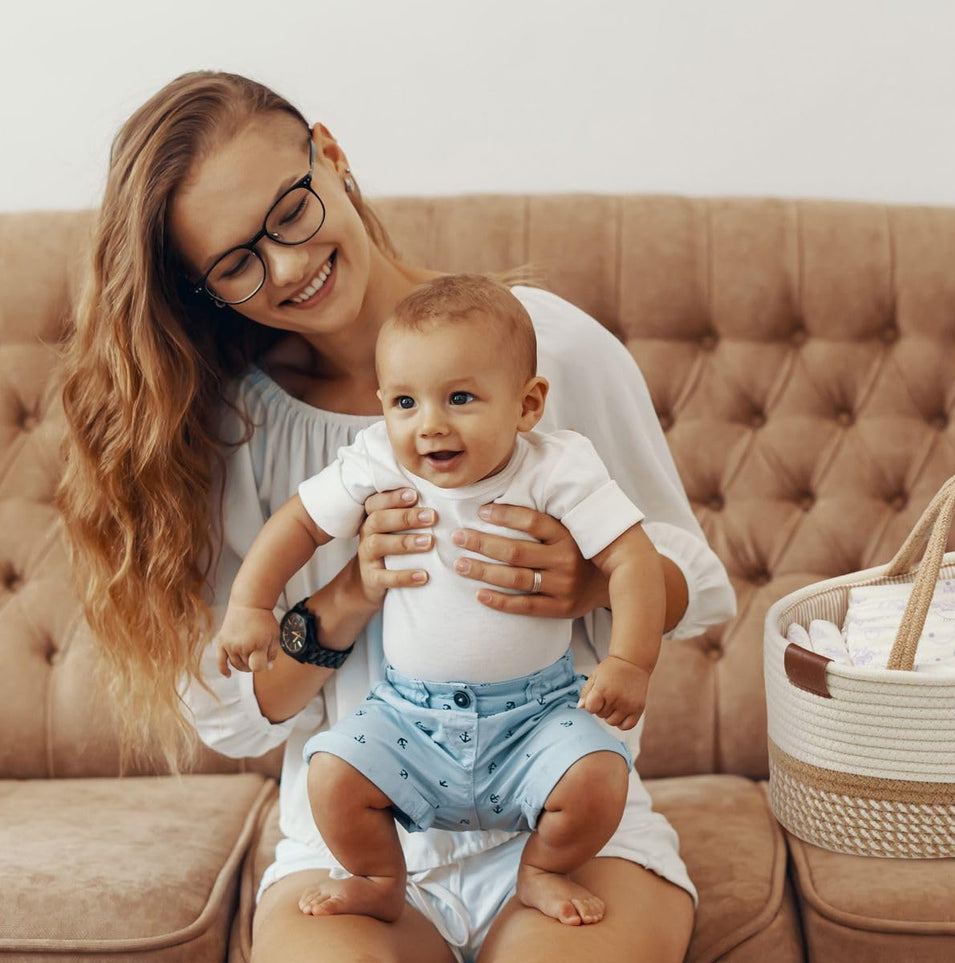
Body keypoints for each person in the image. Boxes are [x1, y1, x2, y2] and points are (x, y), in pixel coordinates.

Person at [57, 70, 735, 963]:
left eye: (290, 211)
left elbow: (704, 583)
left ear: (331, 159)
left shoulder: (546, 348)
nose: (288, 266)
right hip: (349, 843)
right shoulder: (236, 426)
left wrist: (589, 580)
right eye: (236, 263)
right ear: (204, 289)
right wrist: (347, 594)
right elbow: (229, 708)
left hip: (564, 829)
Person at [217, 272, 665, 928]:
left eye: (459, 398)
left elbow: (633, 557)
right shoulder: (378, 462)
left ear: (527, 403)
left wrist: (630, 662)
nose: (428, 426)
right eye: (404, 402)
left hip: (533, 715)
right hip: (406, 716)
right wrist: (250, 605)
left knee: (599, 772)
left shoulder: (556, 468)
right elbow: (299, 523)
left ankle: (539, 868)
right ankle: (377, 877)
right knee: (332, 774)